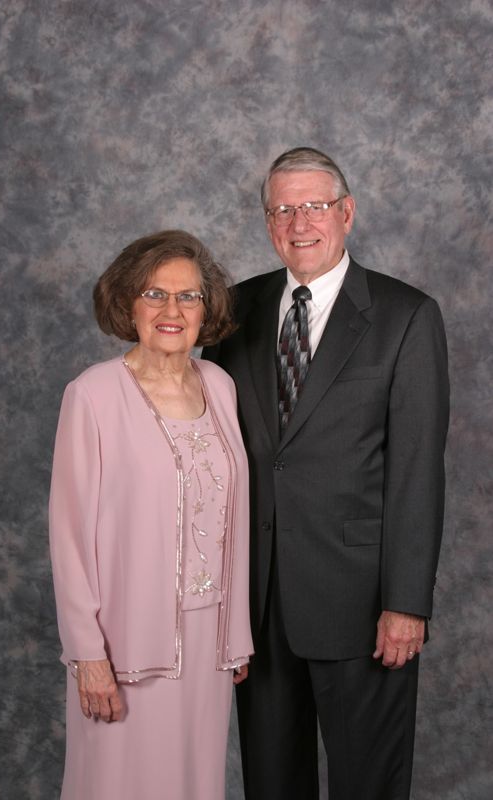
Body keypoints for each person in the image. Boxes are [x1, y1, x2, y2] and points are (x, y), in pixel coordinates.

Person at [202, 147, 449, 800]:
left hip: (362, 606)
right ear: (266, 222)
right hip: (257, 606)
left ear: (346, 212)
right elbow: (215, 458)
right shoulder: (234, 313)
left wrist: (405, 602)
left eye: (312, 205)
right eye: (281, 209)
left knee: (367, 781)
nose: (297, 222)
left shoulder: (405, 316)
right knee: (271, 783)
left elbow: (416, 471)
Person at [49, 229, 253, 800]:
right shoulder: (92, 395)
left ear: (205, 309)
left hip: (208, 645)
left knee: (194, 784)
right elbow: (69, 539)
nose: (172, 310)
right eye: (154, 294)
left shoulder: (220, 386)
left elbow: (233, 519)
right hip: (124, 645)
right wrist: (87, 656)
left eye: (188, 296)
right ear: (127, 304)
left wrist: (235, 631)